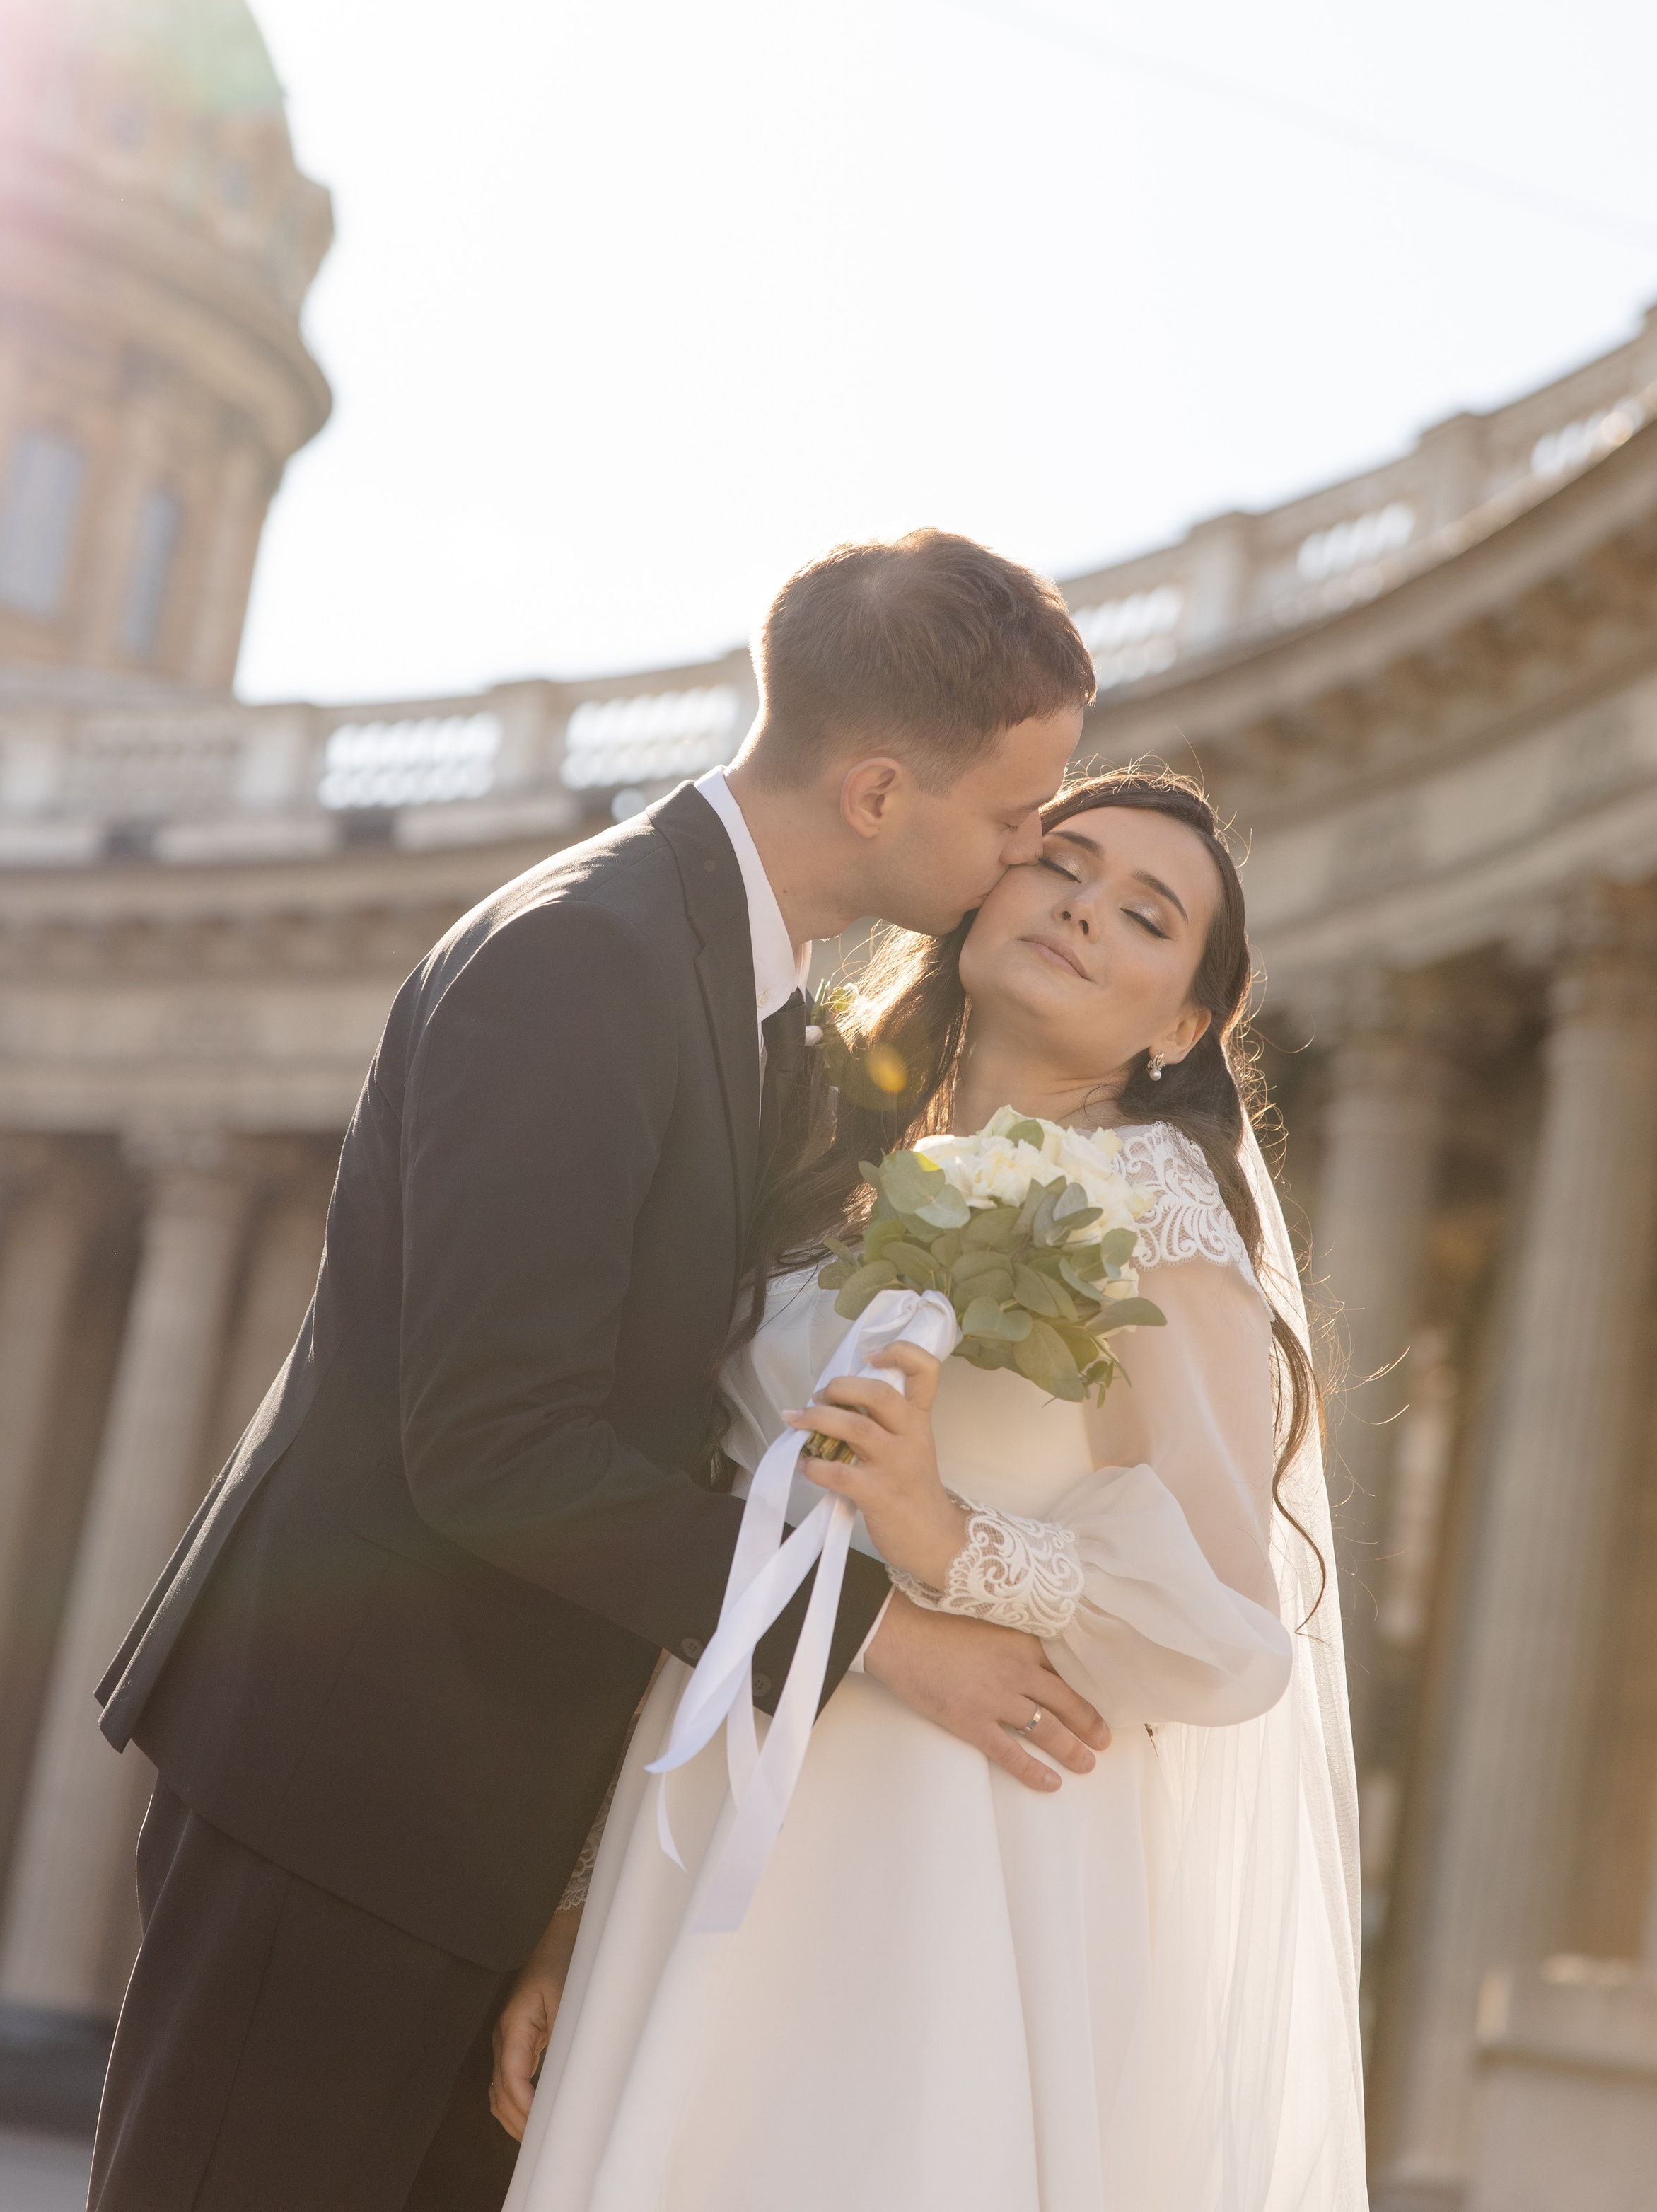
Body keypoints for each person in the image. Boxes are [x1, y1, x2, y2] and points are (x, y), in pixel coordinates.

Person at [85, 530, 1096, 2212]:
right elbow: (497, 1448)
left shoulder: (742, 985)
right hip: (351, 1794)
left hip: (480, 1819)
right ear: (870, 792)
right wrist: (880, 1641)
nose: (1025, 859)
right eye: (1009, 819)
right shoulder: (583, 961)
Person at [492, 770, 1366, 2212]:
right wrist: (585, 1899)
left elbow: (1228, 1641)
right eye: (1060, 868)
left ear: (1182, 1024)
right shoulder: (834, 1171)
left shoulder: (1160, 1224)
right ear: (987, 890)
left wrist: (942, 1536)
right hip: (710, 1810)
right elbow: (714, 1548)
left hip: (949, 1851)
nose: (1082, 910)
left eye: (1141, 917)